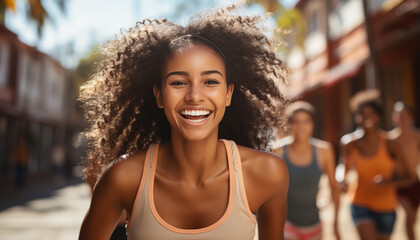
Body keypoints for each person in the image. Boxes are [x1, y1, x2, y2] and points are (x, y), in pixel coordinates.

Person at [79, 4, 289, 240]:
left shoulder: (268, 173)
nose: (195, 96)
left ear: (229, 94)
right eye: (178, 83)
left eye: (210, 82)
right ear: (159, 95)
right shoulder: (124, 177)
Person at [339, 92, 415, 240]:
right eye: (362, 114)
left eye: (371, 113)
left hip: (386, 206)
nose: (367, 117)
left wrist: (388, 182)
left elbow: (408, 177)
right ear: (356, 117)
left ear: (378, 116)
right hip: (359, 201)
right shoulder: (349, 143)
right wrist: (341, 178)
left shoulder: (390, 143)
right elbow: (343, 166)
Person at [273, 101, 340, 240]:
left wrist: (335, 224)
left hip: (313, 223)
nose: (301, 127)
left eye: (306, 121)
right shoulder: (278, 150)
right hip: (286, 223)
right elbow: (268, 190)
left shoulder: (324, 150)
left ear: (313, 124)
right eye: (296, 122)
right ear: (289, 125)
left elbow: (334, 187)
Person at [388, 101, 420, 240]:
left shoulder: (417, 137)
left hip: (415, 182)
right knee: (410, 214)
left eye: (405, 115)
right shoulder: (389, 139)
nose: (402, 118)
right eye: (399, 115)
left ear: (411, 118)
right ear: (394, 117)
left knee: (412, 220)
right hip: (399, 184)